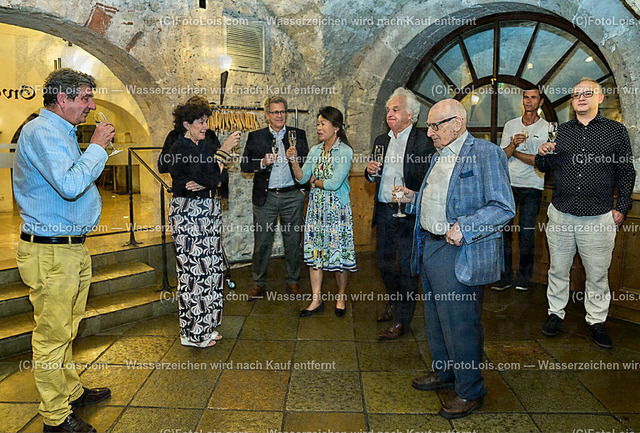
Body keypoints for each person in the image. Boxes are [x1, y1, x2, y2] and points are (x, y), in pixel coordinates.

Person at [396, 99, 515, 419]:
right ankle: (445, 371)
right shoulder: (439, 155)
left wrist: (466, 226)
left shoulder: (486, 153)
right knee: (435, 319)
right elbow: (440, 199)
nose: (429, 132)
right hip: (430, 246)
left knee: (460, 324)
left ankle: (470, 390)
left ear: (457, 123)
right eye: (429, 126)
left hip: (460, 251)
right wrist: (413, 198)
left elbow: (504, 206)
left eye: (435, 126)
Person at [13, 68, 115, 433]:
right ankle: (55, 418)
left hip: (69, 249)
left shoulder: (62, 132)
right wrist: (97, 148)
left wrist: (93, 151)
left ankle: (70, 390)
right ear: (62, 98)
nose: (91, 105)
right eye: (85, 98)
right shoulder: (41, 132)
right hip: (51, 254)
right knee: (52, 338)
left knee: (67, 330)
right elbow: (70, 185)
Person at [536, 78, 635, 349]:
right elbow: (545, 166)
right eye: (576, 94)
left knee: (597, 274)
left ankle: (596, 320)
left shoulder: (615, 131)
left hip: (598, 217)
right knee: (557, 269)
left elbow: (626, 171)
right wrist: (542, 153)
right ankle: (555, 313)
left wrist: (621, 207)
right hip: (561, 213)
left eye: (587, 93)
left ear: (599, 98)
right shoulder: (561, 131)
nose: (580, 98)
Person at [164, 96, 241, 348]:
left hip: (208, 209)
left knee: (210, 270)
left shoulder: (204, 144)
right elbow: (209, 175)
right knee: (194, 272)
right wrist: (222, 153)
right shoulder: (180, 147)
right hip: (190, 212)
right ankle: (193, 334)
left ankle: (207, 326)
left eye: (206, 121)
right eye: (200, 122)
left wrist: (211, 177)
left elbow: (217, 178)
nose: (205, 126)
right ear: (186, 124)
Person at [365, 87, 435, 340]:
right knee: (383, 262)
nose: (390, 114)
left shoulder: (423, 141)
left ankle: (403, 320)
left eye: (395, 109)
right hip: (385, 211)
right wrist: (370, 172)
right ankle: (394, 300)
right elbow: (374, 176)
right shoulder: (381, 140)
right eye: (388, 110)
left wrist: (411, 194)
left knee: (407, 267)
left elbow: (429, 181)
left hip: (410, 214)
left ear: (410, 115)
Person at [287, 106, 356, 317]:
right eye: (317, 124)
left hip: (337, 211)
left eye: (322, 124)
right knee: (315, 254)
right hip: (316, 210)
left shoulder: (345, 151)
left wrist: (315, 181)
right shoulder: (316, 150)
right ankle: (316, 299)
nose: (318, 127)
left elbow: (334, 183)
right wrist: (294, 162)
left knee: (339, 257)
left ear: (336, 127)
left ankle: (341, 296)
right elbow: (301, 178)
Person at [240, 96, 309, 300]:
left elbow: (308, 164)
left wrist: (302, 191)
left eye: (282, 112)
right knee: (262, 242)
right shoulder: (256, 136)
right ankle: (258, 283)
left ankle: (293, 281)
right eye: (275, 112)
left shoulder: (298, 135)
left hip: (292, 196)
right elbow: (245, 165)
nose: (280, 116)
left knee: (293, 241)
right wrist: (262, 162)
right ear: (267, 115)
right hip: (266, 197)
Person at [493, 88, 549, 292]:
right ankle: (505, 277)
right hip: (508, 185)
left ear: (540, 102)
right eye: (526, 97)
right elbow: (502, 156)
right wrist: (512, 145)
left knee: (526, 233)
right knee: (504, 232)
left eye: (533, 97)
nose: (528, 101)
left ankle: (524, 278)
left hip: (533, 185)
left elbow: (538, 161)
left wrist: (514, 152)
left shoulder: (546, 128)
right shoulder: (511, 125)